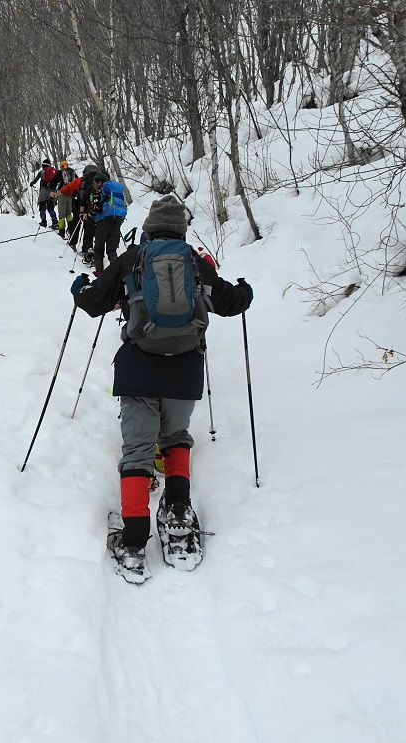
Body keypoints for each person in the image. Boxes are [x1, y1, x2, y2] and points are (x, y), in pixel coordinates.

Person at [69, 195, 253, 584]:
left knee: (137, 450)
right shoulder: (195, 262)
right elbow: (231, 303)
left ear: (150, 228)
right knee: (175, 437)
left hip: (139, 367)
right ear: (182, 231)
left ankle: (134, 542)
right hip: (185, 368)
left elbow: (91, 303)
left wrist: (79, 288)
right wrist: (245, 290)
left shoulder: (133, 257)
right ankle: (178, 516)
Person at [89, 172, 128, 274]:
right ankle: (116, 273)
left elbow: (96, 208)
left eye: (95, 183)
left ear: (100, 182)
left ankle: (99, 273)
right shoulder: (118, 193)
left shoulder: (100, 192)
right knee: (112, 251)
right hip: (116, 224)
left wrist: (90, 215)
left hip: (102, 223)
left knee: (98, 248)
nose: (93, 185)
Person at [29, 159, 59, 229]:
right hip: (52, 192)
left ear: (43, 166)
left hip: (43, 192)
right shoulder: (55, 172)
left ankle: (43, 222)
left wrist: (31, 183)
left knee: (42, 208)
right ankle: (55, 222)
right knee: (51, 208)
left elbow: (35, 180)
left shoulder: (41, 172)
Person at [54, 161, 77, 238]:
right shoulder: (73, 172)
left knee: (61, 214)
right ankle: (71, 230)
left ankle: (61, 232)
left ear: (61, 166)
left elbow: (54, 182)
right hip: (70, 195)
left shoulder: (61, 172)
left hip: (62, 194)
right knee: (69, 213)